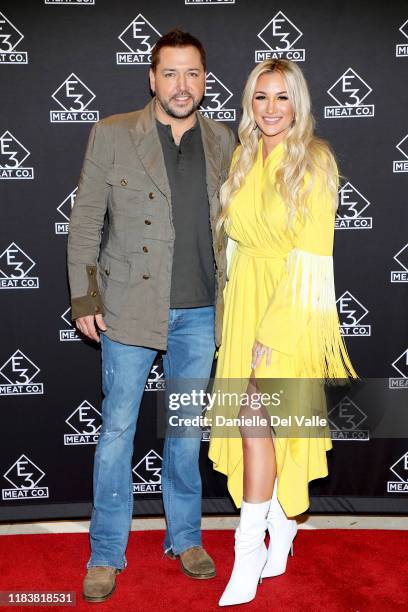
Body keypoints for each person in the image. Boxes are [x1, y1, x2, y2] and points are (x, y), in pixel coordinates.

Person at [67, 29, 235, 603]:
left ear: (205, 80)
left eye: (192, 73)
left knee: (185, 432)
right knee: (116, 431)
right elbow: (86, 220)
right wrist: (85, 298)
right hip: (128, 309)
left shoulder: (223, 138)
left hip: (202, 311)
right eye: (170, 73)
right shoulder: (113, 133)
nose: (181, 85)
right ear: (152, 78)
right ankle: (105, 552)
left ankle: (185, 538)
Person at [208, 59, 358, 607]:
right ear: (249, 103)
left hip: (290, 304)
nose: (271, 109)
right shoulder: (244, 156)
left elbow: (314, 255)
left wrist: (273, 329)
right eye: (260, 98)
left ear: (299, 102)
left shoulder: (315, 161)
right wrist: (233, 318)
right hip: (246, 297)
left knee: (256, 421)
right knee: (262, 430)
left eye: (282, 98)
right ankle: (283, 529)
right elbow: (234, 244)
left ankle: (246, 552)